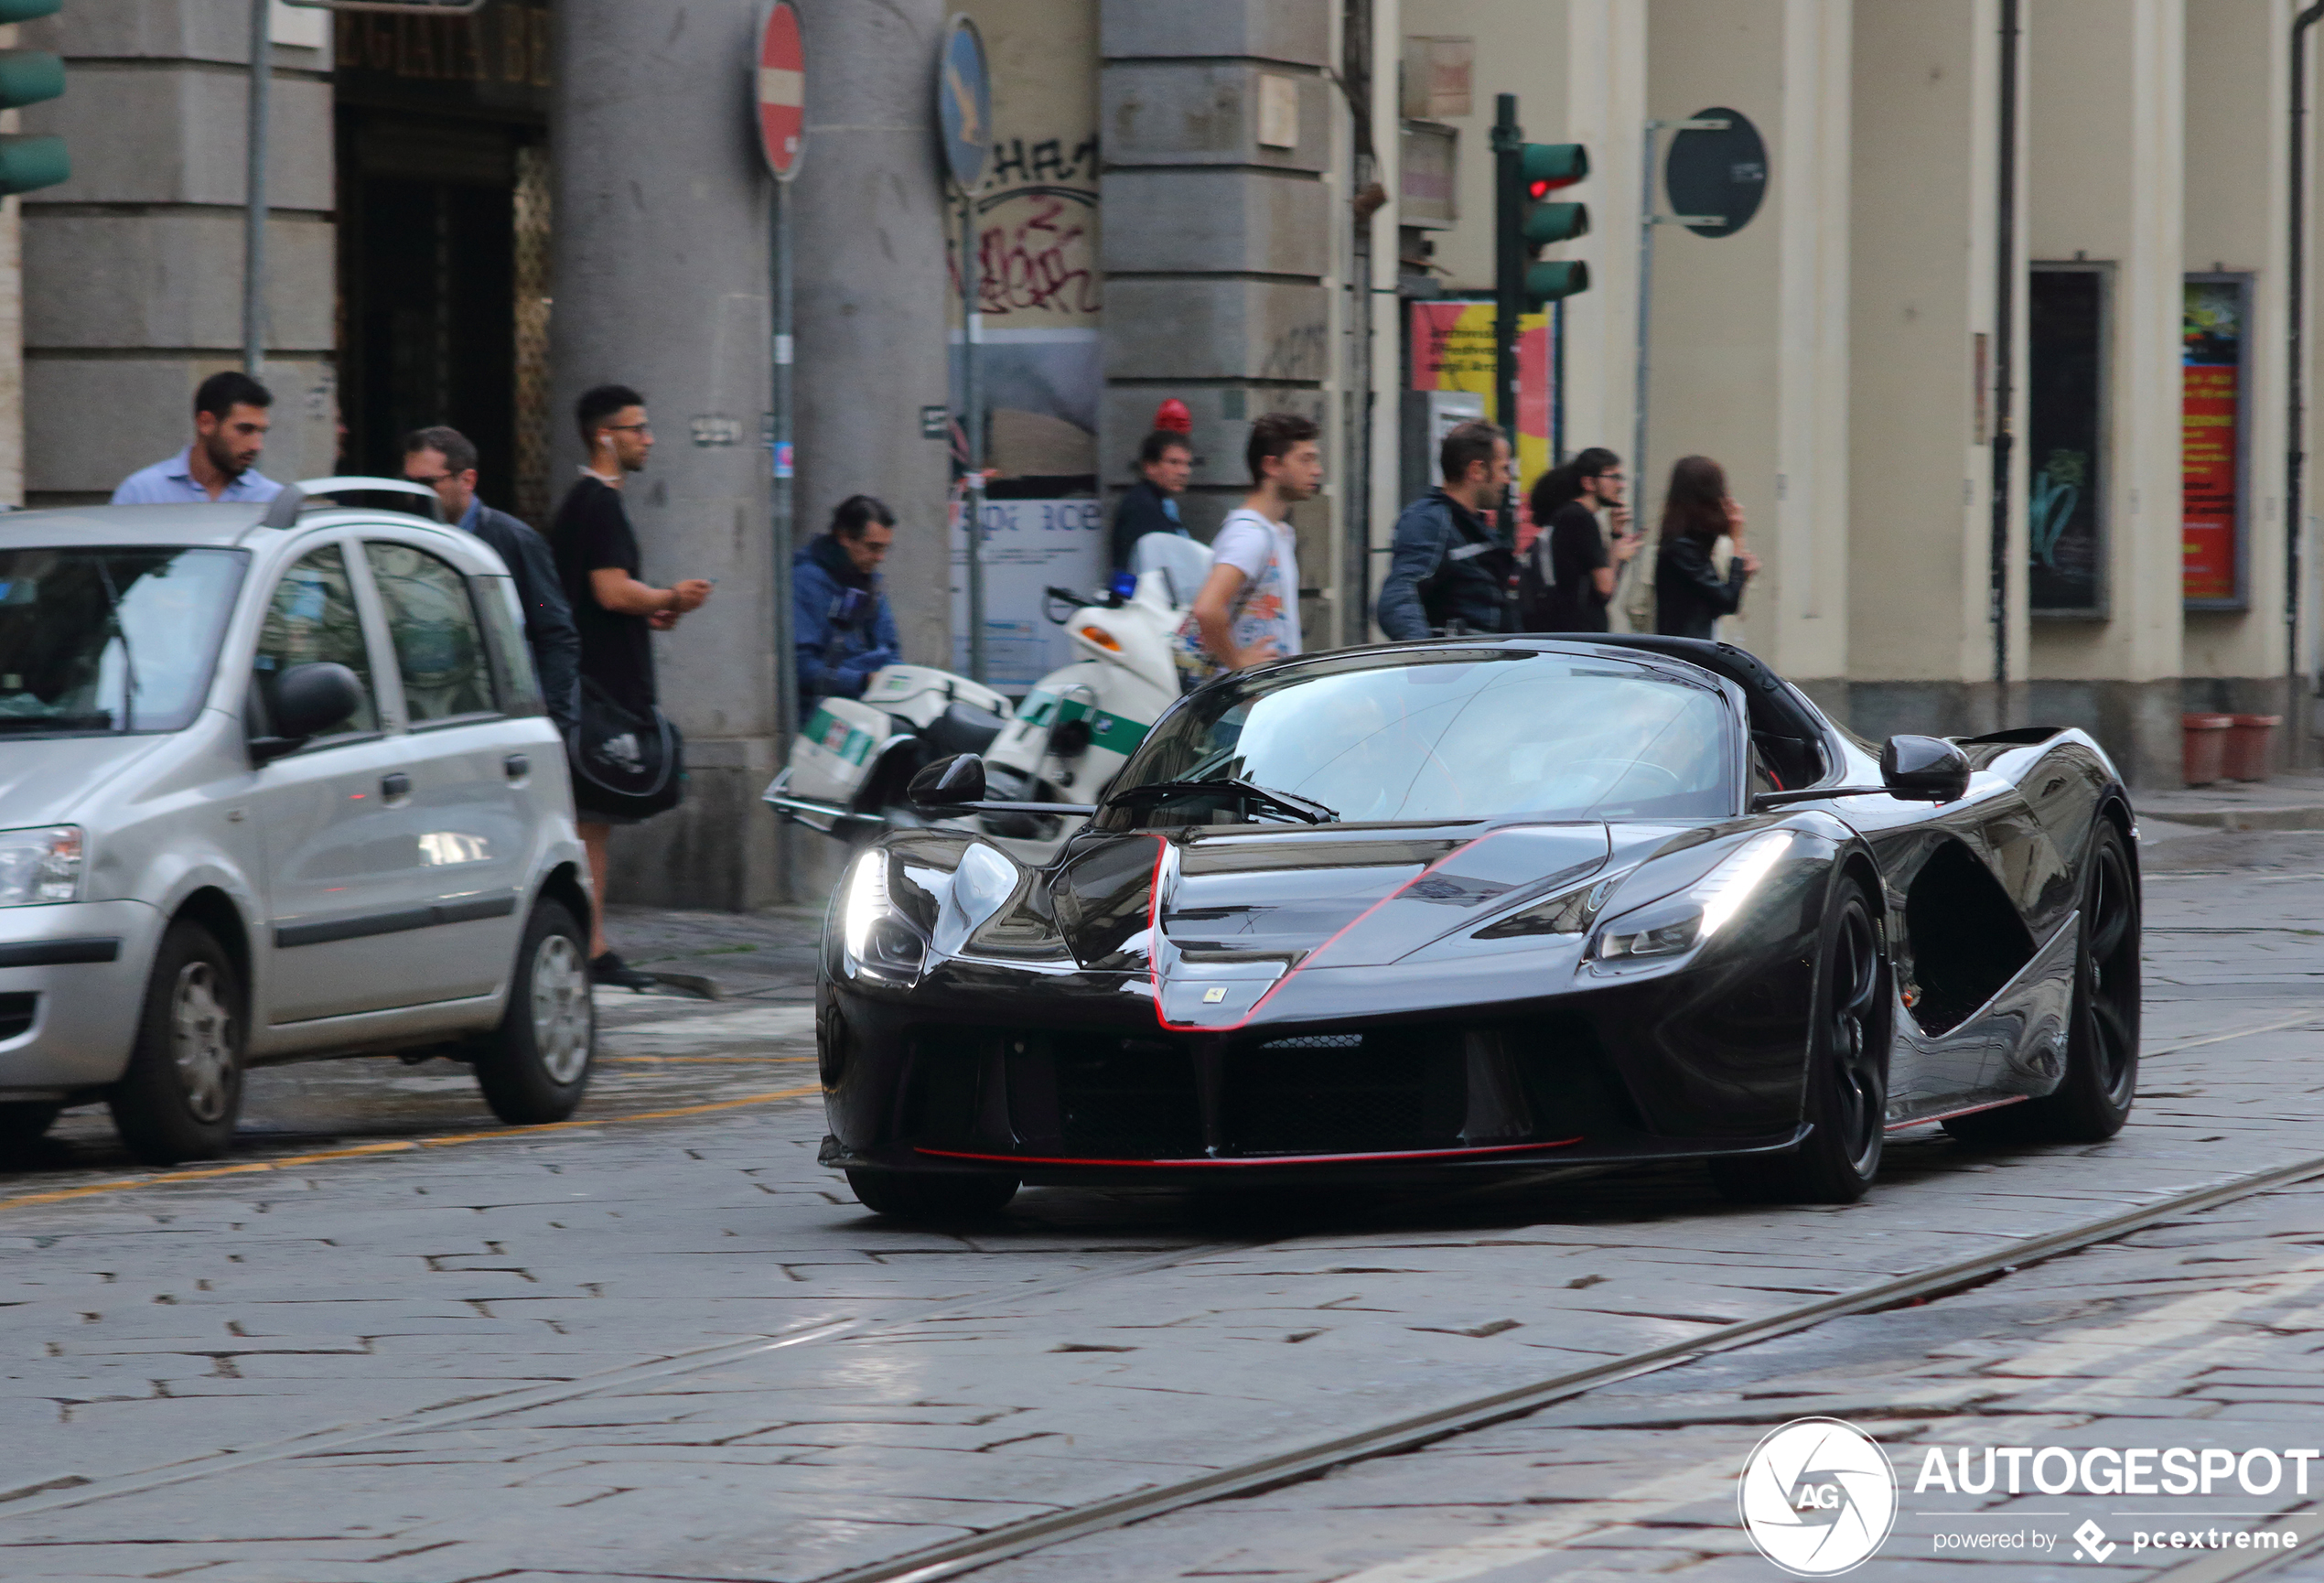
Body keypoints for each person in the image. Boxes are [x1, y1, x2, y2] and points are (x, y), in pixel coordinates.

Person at [549, 383, 715, 990]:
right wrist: (671, 597)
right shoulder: (598, 504)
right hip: (599, 692)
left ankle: (587, 942)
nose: (647, 439)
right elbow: (610, 591)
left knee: (591, 823)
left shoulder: (587, 504)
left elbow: (607, 598)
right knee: (590, 824)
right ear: (605, 436)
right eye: (636, 428)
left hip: (593, 683)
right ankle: (588, 947)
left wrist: (652, 608)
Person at [400, 425, 582, 737]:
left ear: (467, 480)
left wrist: (551, 722)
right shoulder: (403, 538)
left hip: (501, 721)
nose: (414, 495)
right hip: (427, 717)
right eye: (409, 483)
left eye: (428, 483)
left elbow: (552, 626)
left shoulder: (514, 542)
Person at [1174, 412, 1320, 686]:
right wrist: (1237, 662)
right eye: (1305, 459)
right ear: (1272, 466)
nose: (1317, 470)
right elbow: (1207, 607)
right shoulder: (1249, 534)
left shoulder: (1276, 532)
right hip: (1242, 709)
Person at [1375, 420, 1515, 641]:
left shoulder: (1478, 529)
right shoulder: (1430, 520)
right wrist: (1427, 660)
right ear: (1477, 470)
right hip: (1459, 667)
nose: (1507, 480)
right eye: (1504, 469)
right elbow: (1400, 595)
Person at [794, 494, 903, 712]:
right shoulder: (805, 581)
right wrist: (862, 680)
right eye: (873, 547)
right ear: (844, 537)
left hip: (871, 701)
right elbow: (801, 666)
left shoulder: (869, 580)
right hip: (825, 709)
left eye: (884, 548)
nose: (880, 558)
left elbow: (890, 647)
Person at [113, 372, 283, 504]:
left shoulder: (270, 499)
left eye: (261, 432)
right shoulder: (143, 493)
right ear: (206, 423)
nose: (257, 446)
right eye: (245, 429)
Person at [1522, 447, 1639, 633]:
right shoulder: (1580, 518)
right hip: (1577, 634)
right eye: (1614, 477)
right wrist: (1622, 556)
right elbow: (1605, 589)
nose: (1621, 485)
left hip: (1564, 631)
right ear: (1589, 483)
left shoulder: (1569, 515)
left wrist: (1617, 534)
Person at [1653, 454, 1759, 640]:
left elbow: (1712, 604)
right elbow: (1728, 602)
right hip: (1688, 651)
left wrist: (1741, 575)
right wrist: (1737, 540)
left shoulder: (1684, 544)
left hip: (1687, 645)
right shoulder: (1682, 549)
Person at [1110, 429, 1194, 571]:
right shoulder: (1142, 507)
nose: (1184, 472)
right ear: (1150, 467)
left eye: (1187, 464)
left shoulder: (1162, 502)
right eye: (1174, 462)